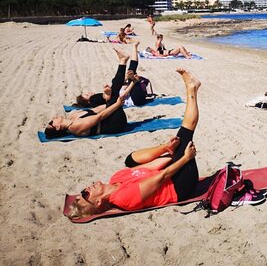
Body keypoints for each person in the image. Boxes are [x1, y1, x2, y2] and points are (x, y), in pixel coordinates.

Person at [66, 69, 201, 219]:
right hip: (179, 187)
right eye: (86, 194)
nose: (87, 188)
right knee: (185, 132)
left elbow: (151, 167)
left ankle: (169, 145)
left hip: (169, 174)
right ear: (98, 202)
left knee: (130, 160)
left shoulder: (116, 178)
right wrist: (184, 158)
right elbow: (161, 177)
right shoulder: (124, 199)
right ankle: (192, 88)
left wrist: (172, 153)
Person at [45, 48, 138, 138]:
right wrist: (116, 104)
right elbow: (100, 116)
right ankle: (123, 61)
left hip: (108, 117)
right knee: (114, 92)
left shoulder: (72, 117)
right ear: (57, 127)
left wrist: (109, 101)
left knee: (113, 92)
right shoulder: (75, 127)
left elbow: (96, 110)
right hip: (115, 124)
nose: (52, 119)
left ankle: (123, 61)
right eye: (51, 123)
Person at [76, 42, 153, 108]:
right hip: (135, 100)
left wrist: (128, 78)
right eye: (86, 95)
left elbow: (118, 90)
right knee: (129, 73)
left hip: (132, 95)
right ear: (87, 101)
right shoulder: (93, 99)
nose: (88, 92)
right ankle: (129, 53)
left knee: (129, 72)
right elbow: (123, 96)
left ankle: (132, 50)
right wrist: (133, 82)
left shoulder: (99, 98)